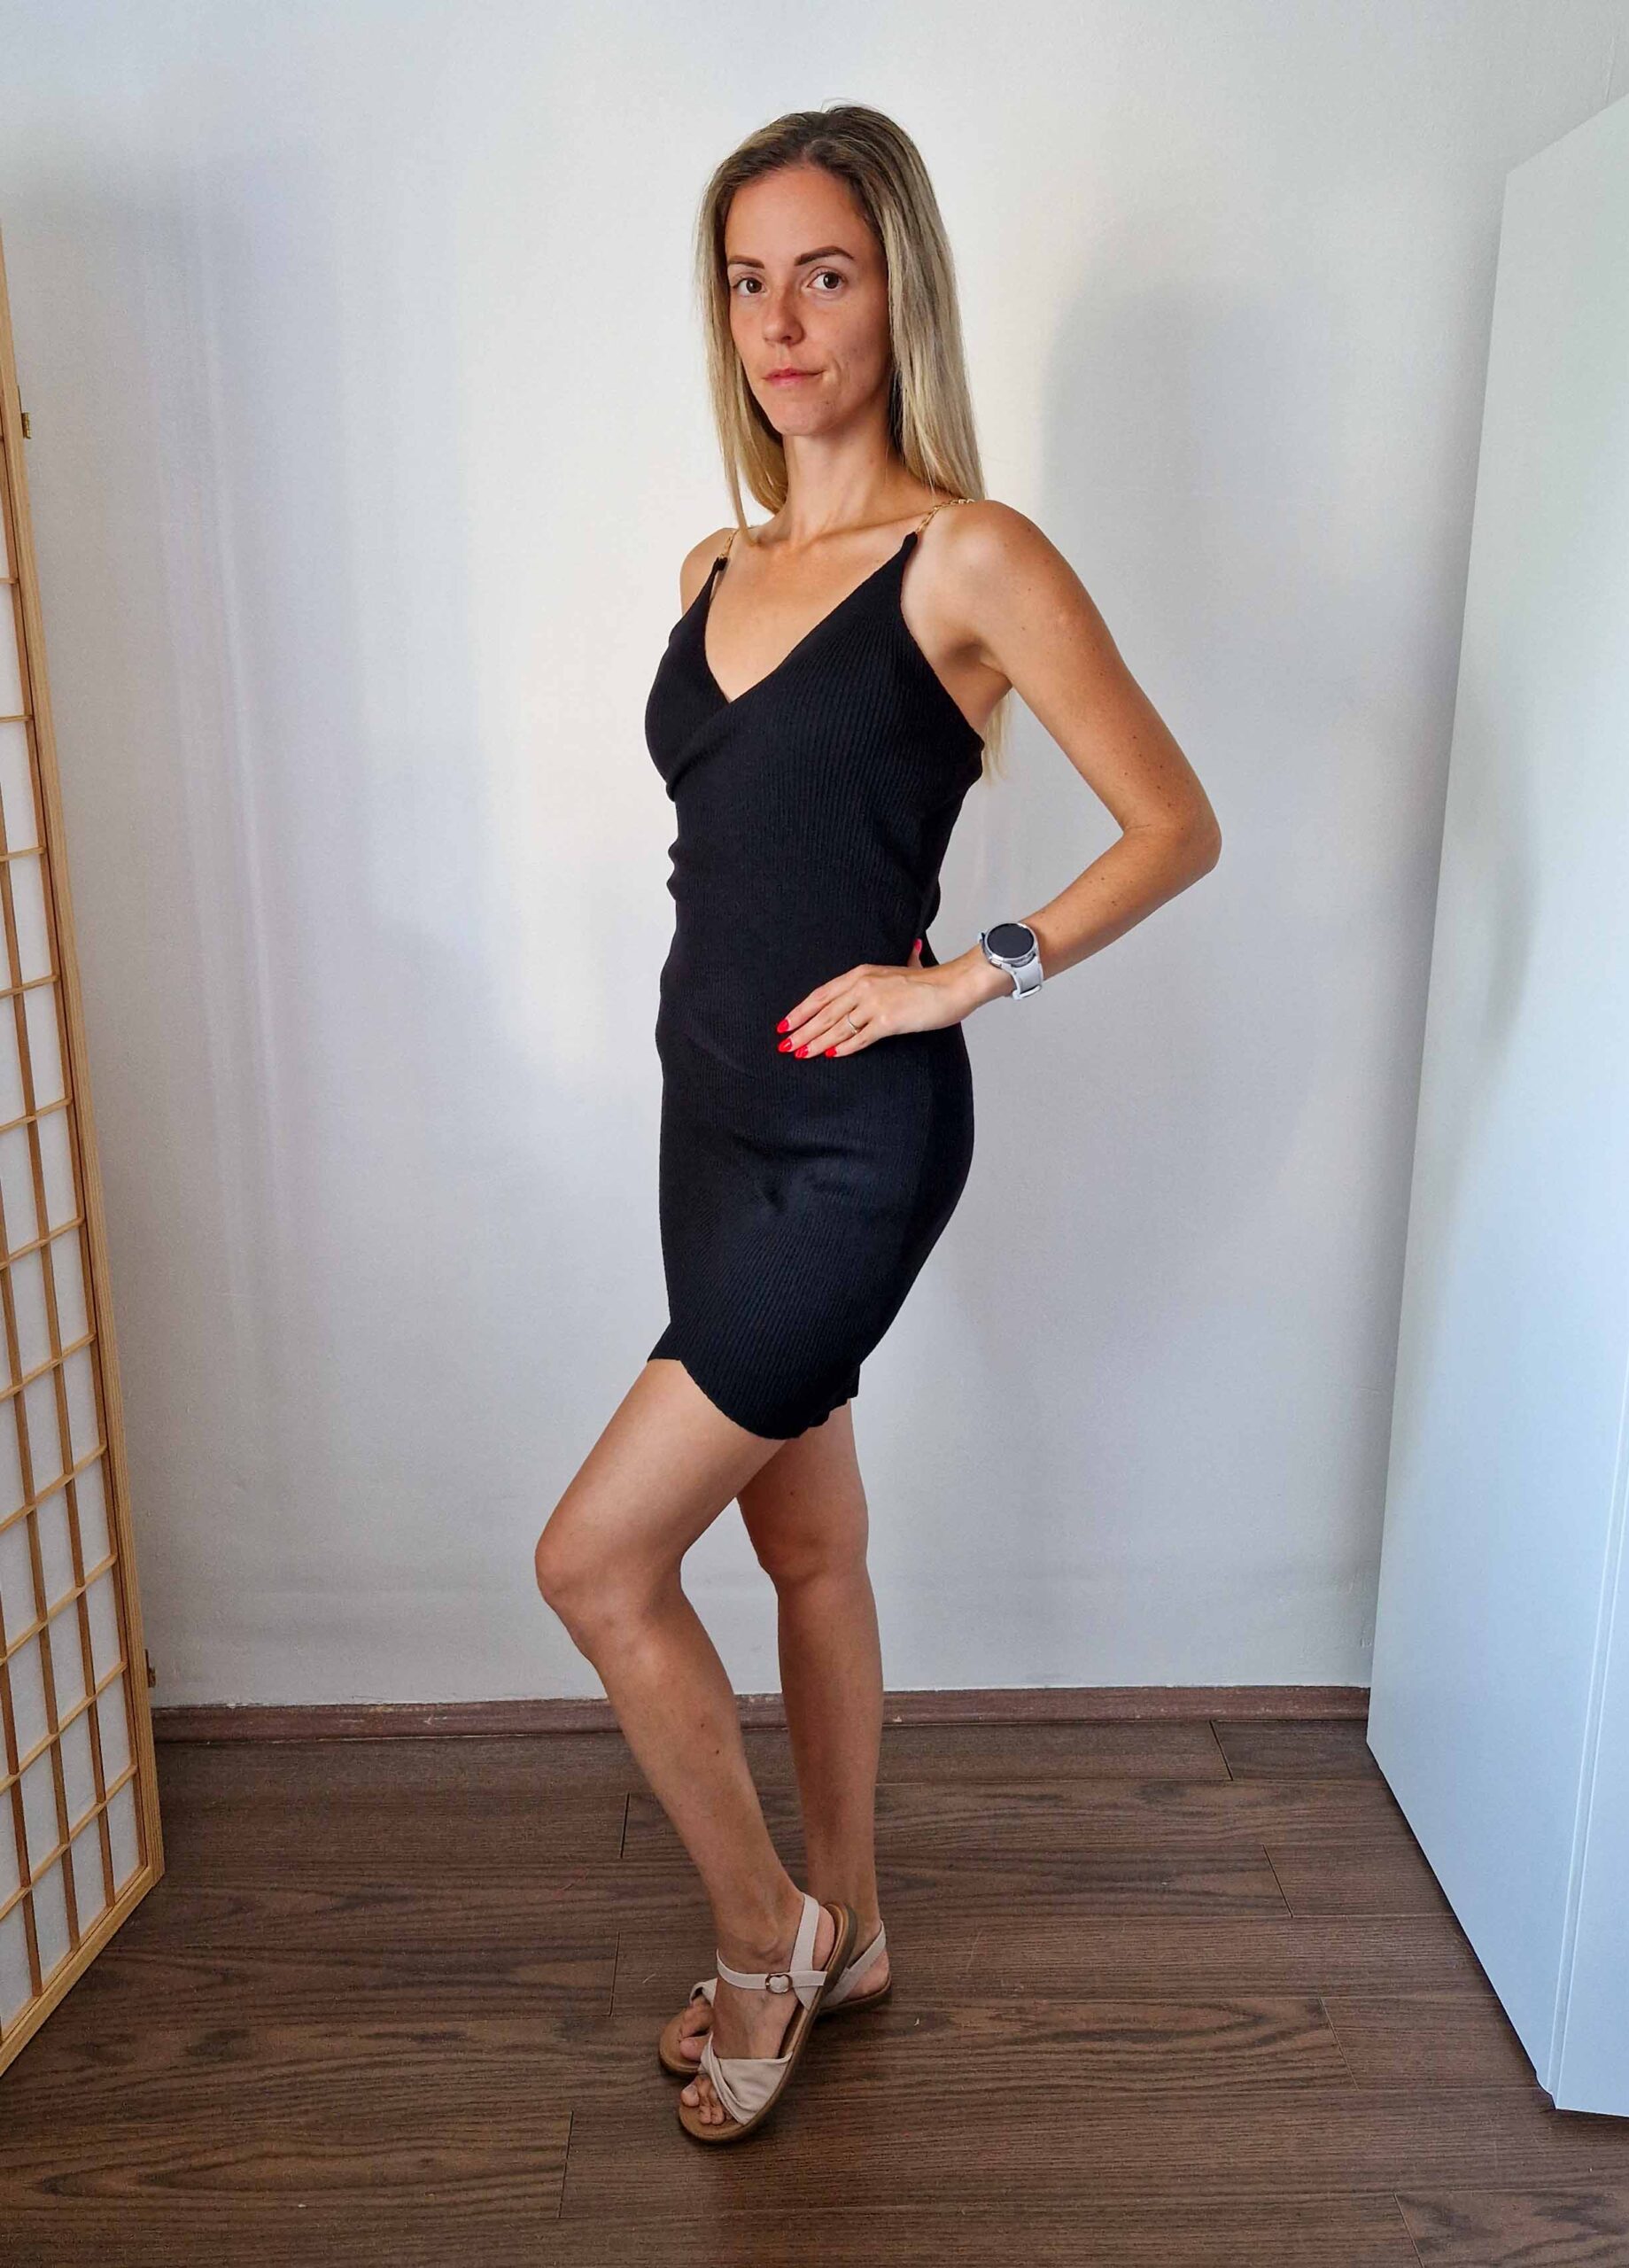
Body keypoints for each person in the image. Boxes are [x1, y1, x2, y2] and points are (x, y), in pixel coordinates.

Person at [534, 102, 1220, 2144]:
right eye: (748, 281)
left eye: (822, 275)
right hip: (709, 1119)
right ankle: (862, 1918)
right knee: (805, 1536)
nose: (780, 320)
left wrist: (972, 969)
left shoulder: (971, 556)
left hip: (854, 1143)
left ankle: (770, 1932)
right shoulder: (717, 563)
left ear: (896, 289)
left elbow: (1174, 822)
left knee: (594, 1560)